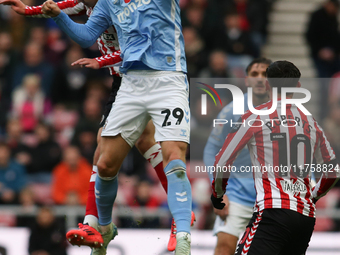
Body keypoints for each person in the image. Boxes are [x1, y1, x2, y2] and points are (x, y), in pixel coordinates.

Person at [0, 0, 194, 252]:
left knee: (172, 154)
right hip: (129, 82)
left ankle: (180, 232)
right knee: (105, 160)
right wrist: (34, 11)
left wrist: (101, 61)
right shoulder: (104, 4)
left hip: (168, 78)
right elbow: (80, 28)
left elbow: (144, 41)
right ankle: (102, 226)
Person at [211, 60, 340, 255]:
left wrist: (218, 194)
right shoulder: (311, 121)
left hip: (273, 211)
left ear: (268, 84)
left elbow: (223, 161)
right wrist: (313, 196)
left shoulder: (255, 117)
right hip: (304, 218)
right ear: (297, 86)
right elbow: (333, 171)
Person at [203, 57, 272, 255]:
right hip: (237, 195)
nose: (260, 79)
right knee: (224, 247)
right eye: (255, 74)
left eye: (265, 74)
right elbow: (211, 150)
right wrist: (218, 192)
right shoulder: (231, 111)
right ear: (247, 80)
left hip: (273, 198)